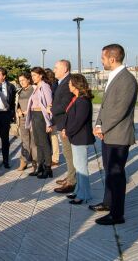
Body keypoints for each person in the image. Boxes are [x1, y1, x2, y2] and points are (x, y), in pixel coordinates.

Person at [90, 44, 138, 225]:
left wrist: (103, 128)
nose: (101, 61)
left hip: (118, 135)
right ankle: (107, 203)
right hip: (109, 133)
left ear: (112, 58)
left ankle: (117, 214)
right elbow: (105, 107)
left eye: (103, 58)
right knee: (109, 172)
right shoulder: (114, 77)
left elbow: (120, 110)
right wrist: (98, 124)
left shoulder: (126, 80)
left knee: (116, 174)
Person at [62, 74, 95, 205]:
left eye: (70, 83)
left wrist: (68, 131)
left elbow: (78, 121)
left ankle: (84, 195)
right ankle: (78, 190)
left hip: (81, 137)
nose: (68, 85)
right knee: (78, 165)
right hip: (76, 137)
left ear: (76, 85)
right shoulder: (77, 99)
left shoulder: (83, 100)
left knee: (81, 168)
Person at [51, 60, 77, 194]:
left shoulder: (68, 82)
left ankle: (71, 182)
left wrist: (52, 110)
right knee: (67, 153)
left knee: (69, 153)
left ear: (65, 69)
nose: (54, 70)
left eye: (56, 68)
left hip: (66, 123)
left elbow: (66, 104)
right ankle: (70, 176)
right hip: (62, 122)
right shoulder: (61, 82)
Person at [25, 67, 53, 178]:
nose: (32, 78)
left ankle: (48, 168)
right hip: (35, 116)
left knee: (45, 143)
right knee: (38, 143)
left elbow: (49, 105)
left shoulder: (45, 86)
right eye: (32, 75)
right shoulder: (36, 87)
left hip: (42, 117)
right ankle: (40, 167)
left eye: (34, 75)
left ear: (41, 75)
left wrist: (49, 123)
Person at [15, 72, 37, 171]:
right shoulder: (19, 92)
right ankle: (23, 161)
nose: (22, 82)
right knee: (24, 141)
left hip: (33, 118)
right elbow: (17, 105)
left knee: (34, 141)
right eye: (20, 81)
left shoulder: (35, 89)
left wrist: (28, 111)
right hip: (22, 119)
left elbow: (38, 103)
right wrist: (19, 110)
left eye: (23, 80)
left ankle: (35, 162)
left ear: (28, 79)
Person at [45, 68, 60, 166]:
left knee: (53, 136)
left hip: (52, 114)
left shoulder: (53, 86)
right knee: (52, 136)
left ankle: (55, 158)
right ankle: (53, 156)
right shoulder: (54, 84)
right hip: (50, 113)